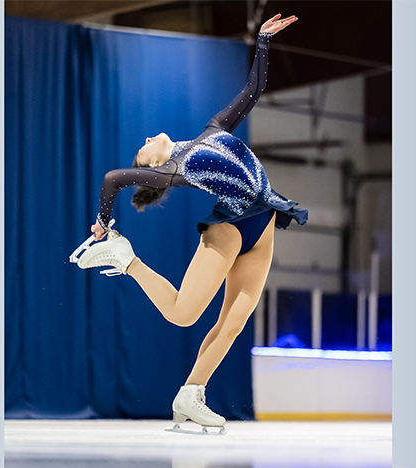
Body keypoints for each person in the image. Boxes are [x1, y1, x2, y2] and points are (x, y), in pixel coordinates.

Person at [76, 14, 306, 434]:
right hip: (231, 229)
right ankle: (126, 260)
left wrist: (263, 42)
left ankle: (191, 394)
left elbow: (253, 91)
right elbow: (112, 180)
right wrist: (102, 223)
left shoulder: (213, 129)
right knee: (184, 314)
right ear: (155, 165)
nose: (147, 140)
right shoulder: (174, 169)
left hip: (265, 221)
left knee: (234, 323)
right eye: (143, 150)